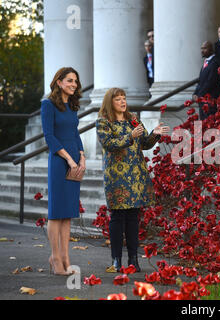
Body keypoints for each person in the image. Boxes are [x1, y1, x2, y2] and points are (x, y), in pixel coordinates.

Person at [95, 88, 169, 272]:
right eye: (118, 99)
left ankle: (133, 260)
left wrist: (155, 133)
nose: (122, 102)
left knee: (133, 218)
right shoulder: (104, 122)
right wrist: (130, 136)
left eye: (124, 98)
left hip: (135, 175)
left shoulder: (133, 119)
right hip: (117, 177)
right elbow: (109, 144)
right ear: (110, 102)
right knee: (118, 217)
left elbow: (145, 143)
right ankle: (116, 260)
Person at [41, 67, 86, 276]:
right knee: (56, 212)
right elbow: (49, 136)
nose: (73, 85)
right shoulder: (48, 104)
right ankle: (55, 257)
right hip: (60, 161)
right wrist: (68, 158)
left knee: (68, 213)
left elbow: (75, 133)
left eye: (75, 81)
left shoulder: (72, 105)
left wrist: (82, 156)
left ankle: (67, 257)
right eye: (69, 81)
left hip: (75, 161)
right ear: (58, 82)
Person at [192, 41, 220, 120]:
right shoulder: (206, 62)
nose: (202, 50)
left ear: (211, 50)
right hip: (203, 101)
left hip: (210, 101)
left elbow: (210, 82)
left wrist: (199, 95)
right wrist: (195, 93)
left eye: (205, 48)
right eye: (201, 48)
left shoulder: (215, 62)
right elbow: (200, 81)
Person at [143, 30, 154, 98]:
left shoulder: (154, 55)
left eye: (149, 46)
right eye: (146, 46)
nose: (147, 47)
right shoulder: (145, 59)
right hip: (150, 80)